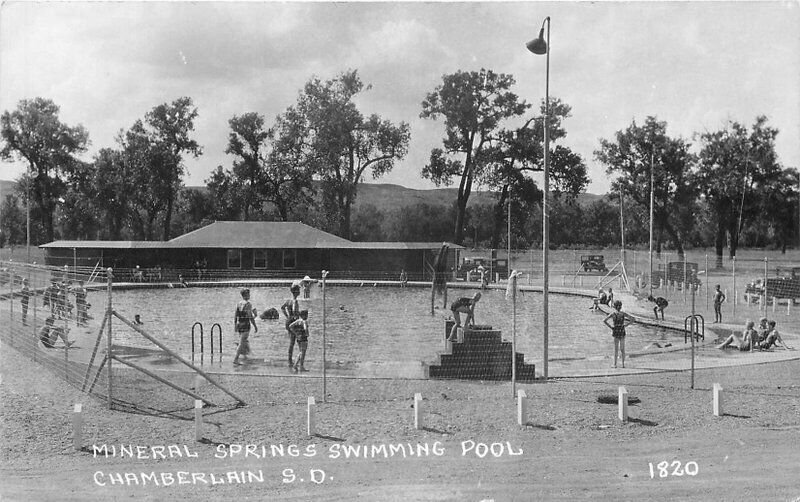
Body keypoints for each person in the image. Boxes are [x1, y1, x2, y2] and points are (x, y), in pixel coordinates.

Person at [603, 300, 634, 368]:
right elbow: (632, 319)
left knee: (616, 349)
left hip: (616, 330)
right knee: (622, 349)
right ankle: (623, 364)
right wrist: (626, 325)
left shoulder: (613, 314)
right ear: (620, 306)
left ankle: (615, 364)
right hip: (622, 330)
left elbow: (604, 321)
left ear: (615, 307)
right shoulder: (623, 314)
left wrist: (611, 327)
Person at [232, 288, 257, 365]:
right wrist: (255, 325)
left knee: (244, 341)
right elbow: (250, 317)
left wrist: (235, 324)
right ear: (246, 295)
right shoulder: (248, 304)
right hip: (246, 325)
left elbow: (236, 315)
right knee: (242, 342)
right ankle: (236, 359)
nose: (249, 295)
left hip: (240, 324)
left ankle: (246, 356)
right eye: (248, 294)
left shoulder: (238, 303)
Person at [281, 284, 302, 367]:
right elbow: (294, 311)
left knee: (291, 342)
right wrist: (297, 318)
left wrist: (287, 316)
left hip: (288, 321)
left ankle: (289, 359)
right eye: (298, 290)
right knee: (297, 341)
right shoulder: (294, 301)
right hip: (293, 322)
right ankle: (297, 360)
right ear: (296, 291)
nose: (300, 292)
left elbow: (282, 308)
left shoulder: (288, 300)